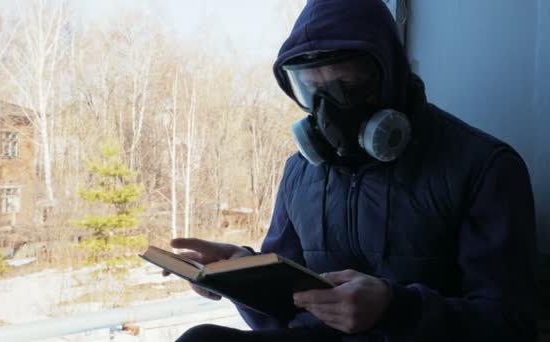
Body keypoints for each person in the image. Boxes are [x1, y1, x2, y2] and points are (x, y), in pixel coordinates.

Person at [171, 0, 538, 341]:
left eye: (346, 86)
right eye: (312, 91)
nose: (328, 110)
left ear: (389, 76)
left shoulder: (484, 167)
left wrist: (397, 309)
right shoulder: (300, 172)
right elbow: (282, 315)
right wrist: (241, 275)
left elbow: (510, 324)